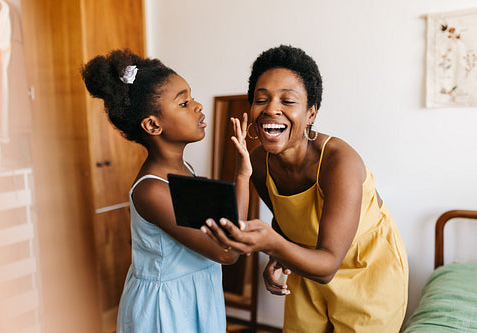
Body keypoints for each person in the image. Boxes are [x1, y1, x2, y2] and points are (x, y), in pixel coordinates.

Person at [202, 45, 409, 332]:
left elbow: (327, 267)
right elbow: (286, 221)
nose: (272, 108)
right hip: (309, 266)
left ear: (311, 113)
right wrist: (277, 256)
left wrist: (272, 244)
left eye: (288, 101)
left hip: (366, 273)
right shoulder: (259, 162)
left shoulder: (339, 162)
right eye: (262, 99)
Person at [81, 49, 241, 333]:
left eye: (191, 98)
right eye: (184, 103)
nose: (198, 106)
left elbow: (229, 232)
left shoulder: (186, 170)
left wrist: (244, 174)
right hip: (166, 308)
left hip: (196, 293)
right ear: (153, 125)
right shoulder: (152, 191)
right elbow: (226, 251)